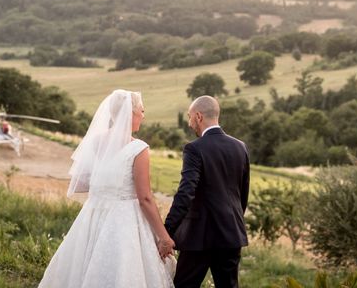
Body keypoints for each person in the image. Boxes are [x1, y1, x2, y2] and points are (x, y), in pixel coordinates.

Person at [38, 89, 176, 287]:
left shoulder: (96, 143)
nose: (143, 117)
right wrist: (164, 237)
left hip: (93, 215)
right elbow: (145, 199)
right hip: (125, 220)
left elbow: (84, 181)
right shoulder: (139, 149)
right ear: (130, 113)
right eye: (141, 111)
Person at [165, 96, 250, 288]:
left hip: (198, 236)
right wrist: (231, 221)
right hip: (230, 233)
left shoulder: (194, 148)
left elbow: (186, 193)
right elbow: (242, 194)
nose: (189, 123)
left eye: (189, 117)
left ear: (198, 116)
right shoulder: (240, 147)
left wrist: (167, 230)